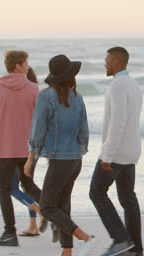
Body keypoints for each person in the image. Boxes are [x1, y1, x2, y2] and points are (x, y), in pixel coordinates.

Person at [24, 54, 94, 256]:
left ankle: (84, 237)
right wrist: (78, 151)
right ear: (71, 76)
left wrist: (30, 160)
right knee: (63, 205)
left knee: (46, 207)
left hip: (60, 161)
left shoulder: (46, 96)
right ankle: (67, 250)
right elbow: (84, 132)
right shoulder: (77, 97)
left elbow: (37, 132)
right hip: (75, 160)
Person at [0, 50, 43, 246]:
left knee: (4, 189)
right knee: (28, 185)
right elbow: (40, 121)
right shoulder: (34, 89)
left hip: (6, 149)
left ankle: (10, 233)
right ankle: (55, 213)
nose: (27, 66)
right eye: (25, 63)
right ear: (17, 66)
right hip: (28, 150)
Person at [89, 47, 143, 256]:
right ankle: (136, 249)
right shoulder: (133, 84)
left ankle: (121, 239)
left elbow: (118, 123)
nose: (105, 63)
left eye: (107, 60)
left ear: (117, 61)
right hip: (131, 151)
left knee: (97, 192)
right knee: (128, 198)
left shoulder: (118, 85)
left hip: (117, 153)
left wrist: (107, 156)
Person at [9, 67, 47, 237]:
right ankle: (33, 225)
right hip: (34, 147)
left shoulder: (21, 96)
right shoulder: (36, 95)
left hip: (20, 147)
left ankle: (42, 210)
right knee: (27, 185)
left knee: (11, 187)